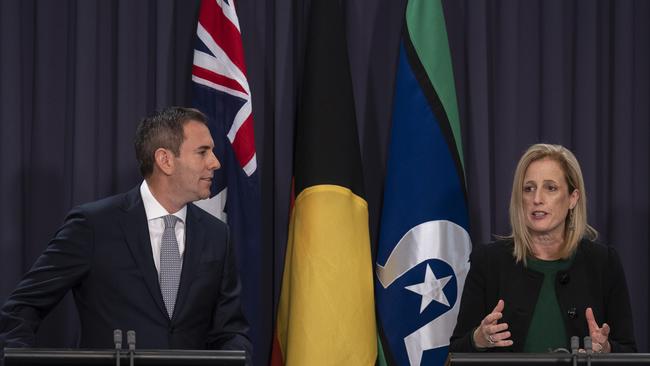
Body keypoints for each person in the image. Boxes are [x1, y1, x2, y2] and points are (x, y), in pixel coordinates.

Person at [0, 107, 251, 356]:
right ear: (165, 160)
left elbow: (230, 332)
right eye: (202, 152)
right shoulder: (94, 226)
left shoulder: (218, 235)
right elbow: (20, 310)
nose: (215, 163)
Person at [450, 143, 636, 353]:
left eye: (551, 188)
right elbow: (456, 351)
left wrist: (607, 349)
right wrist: (479, 339)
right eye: (528, 189)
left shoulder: (603, 263)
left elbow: (629, 351)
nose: (537, 199)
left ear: (573, 199)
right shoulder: (489, 261)